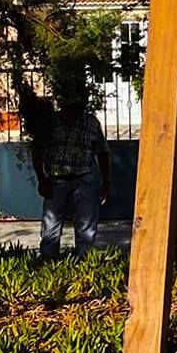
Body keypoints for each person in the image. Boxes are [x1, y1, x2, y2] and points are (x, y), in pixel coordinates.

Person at [32, 82, 112, 259]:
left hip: (85, 180)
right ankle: (48, 262)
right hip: (56, 181)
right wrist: (42, 179)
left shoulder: (91, 123)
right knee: (50, 230)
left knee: (86, 230)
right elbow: (37, 150)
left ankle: (84, 263)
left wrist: (106, 182)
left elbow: (102, 153)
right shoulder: (51, 122)